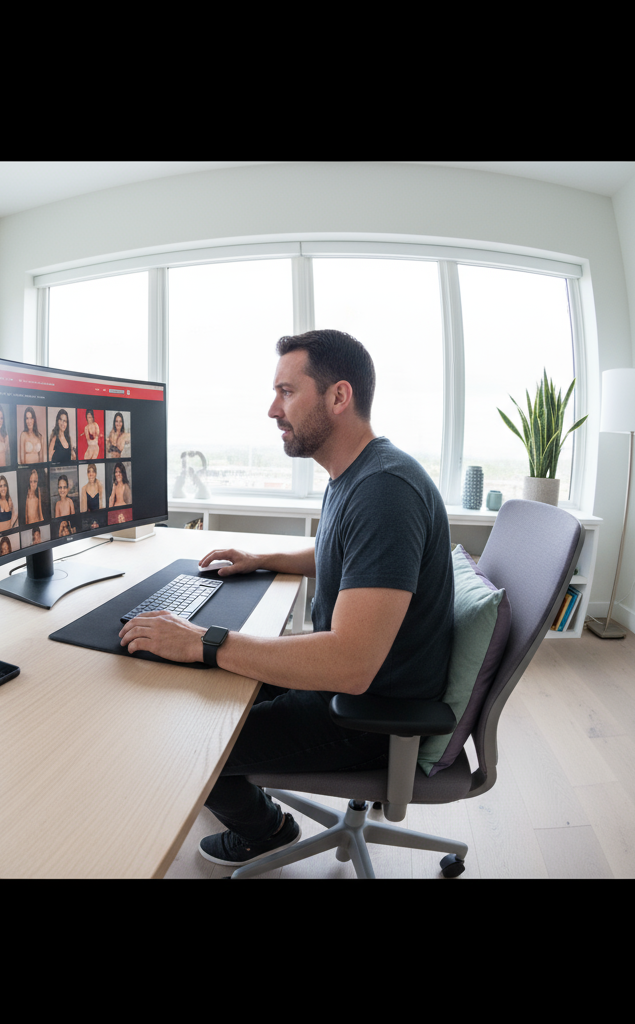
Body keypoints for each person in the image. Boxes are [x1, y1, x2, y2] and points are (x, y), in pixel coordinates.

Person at [118, 329, 454, 869]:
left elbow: (349, 666)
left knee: (191, 738)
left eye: (287, 391)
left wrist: (204, 641)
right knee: (200, 685)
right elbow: (345, 554)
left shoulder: (385, 492)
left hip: (368, 711)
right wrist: (264, 559)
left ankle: (265, 829)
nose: (273, 408)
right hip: (351, 682)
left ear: (338, 396)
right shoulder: (360, 472)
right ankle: (248, 795)